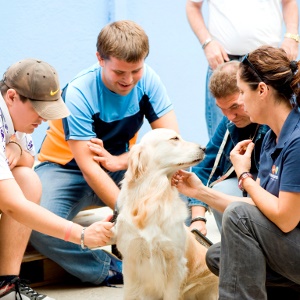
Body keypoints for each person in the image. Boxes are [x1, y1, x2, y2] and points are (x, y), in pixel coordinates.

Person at [30, 20, 179, 286]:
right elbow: (89, 168)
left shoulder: (149, 81)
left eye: (136, 70)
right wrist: (127, 214)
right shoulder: (78, 92)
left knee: (173, 190)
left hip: (117, 166)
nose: (128, 79)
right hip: (65, 168)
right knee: (37, 225)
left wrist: (121, 160)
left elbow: (171, 144)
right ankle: (114, 269)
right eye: (119, 71)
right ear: (100, 59)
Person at [173, 45, 300, 299]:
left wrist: (244, 176)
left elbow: (285, 219)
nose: (240, 101)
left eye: (242, 92)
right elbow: (258, 206)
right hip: (290, 246)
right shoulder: (270, 140)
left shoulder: (296, 140)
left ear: (262, 90)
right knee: (219, 256)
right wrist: (199, 192)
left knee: (238, 219)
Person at [0, 59, 117, 300]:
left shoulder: (14, 119)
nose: (43, 119)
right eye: (38, 109)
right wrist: (81, 235)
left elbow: (28, 160)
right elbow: (13, 204)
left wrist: (15, 147)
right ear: (12, 96)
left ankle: (7, 286)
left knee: (27, 179)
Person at [186, 0, 299, 138]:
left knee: (273, 137)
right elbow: (192, 5)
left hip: (266, 66)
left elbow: (289, 2)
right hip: (224, 61)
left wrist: (292, 37)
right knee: (222, 140)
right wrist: (207, 43)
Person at [186, 60, 268, 235]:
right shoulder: (230, 120)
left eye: (235, 106)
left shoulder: (273, 121)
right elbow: (205, 166)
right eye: (222, 109)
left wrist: (244, 175)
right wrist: (198, 219)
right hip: (249, 189)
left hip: (272, 198)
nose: (230, 117)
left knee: (224, 196)